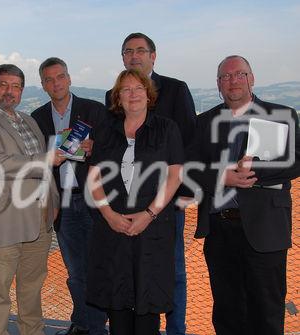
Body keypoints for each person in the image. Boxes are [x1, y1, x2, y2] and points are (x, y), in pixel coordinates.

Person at [186, 55, 300, 335]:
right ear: (217, 84)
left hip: (265, 228)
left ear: (252, 78)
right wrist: (222, 176)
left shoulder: (281, 115)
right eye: (225, 77)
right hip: (220, 230)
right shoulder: (205, 122)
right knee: (226, 310)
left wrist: (255, 170)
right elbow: (189, 168)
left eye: (239, 74)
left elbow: (297, 160)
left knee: (267, 310)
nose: (232, 81)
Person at [105, 32, 195, 335]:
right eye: (128, 51)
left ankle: (175, 330)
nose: (134, 56)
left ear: (153, 56)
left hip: (164, 203)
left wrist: (181, 195)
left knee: (171, 273)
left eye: (141, 50)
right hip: (123, 204)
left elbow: (188, 145)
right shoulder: (111, 96)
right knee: (128, 274)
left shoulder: (175, 89)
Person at [0, 64, 64, 335]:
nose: (10, 92)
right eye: (4, 85)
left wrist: (53, 201)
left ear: (22, 91)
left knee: (32, 289)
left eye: (16, 86)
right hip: (4, 220)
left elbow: (46, 168)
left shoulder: (28, 120)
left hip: (39, 220)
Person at [87, 69, 184, 334]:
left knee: (147, 303)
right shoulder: (105, 131)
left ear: (149, 94)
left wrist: (148, 214)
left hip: (152, 228)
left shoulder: (166, 128)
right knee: (117, 304)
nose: (133, 94)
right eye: (126, 90)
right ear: (118, 97)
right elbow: (93, 177)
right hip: (112, 228)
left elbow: (175, 176)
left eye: (138, 88)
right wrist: (108, 215)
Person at [32, 57, 108, 335]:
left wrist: (94, 147)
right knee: (75, 272)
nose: (56, 83)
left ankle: (96, 327)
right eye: (49, 79)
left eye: (60, 77)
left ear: (69, 78)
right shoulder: (37, 118)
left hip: (93, 200)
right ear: (43, 85)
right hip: (60, 202)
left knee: (97, 267)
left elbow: (115, 150)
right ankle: (82, 323)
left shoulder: (94, 110)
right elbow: (33, 160)